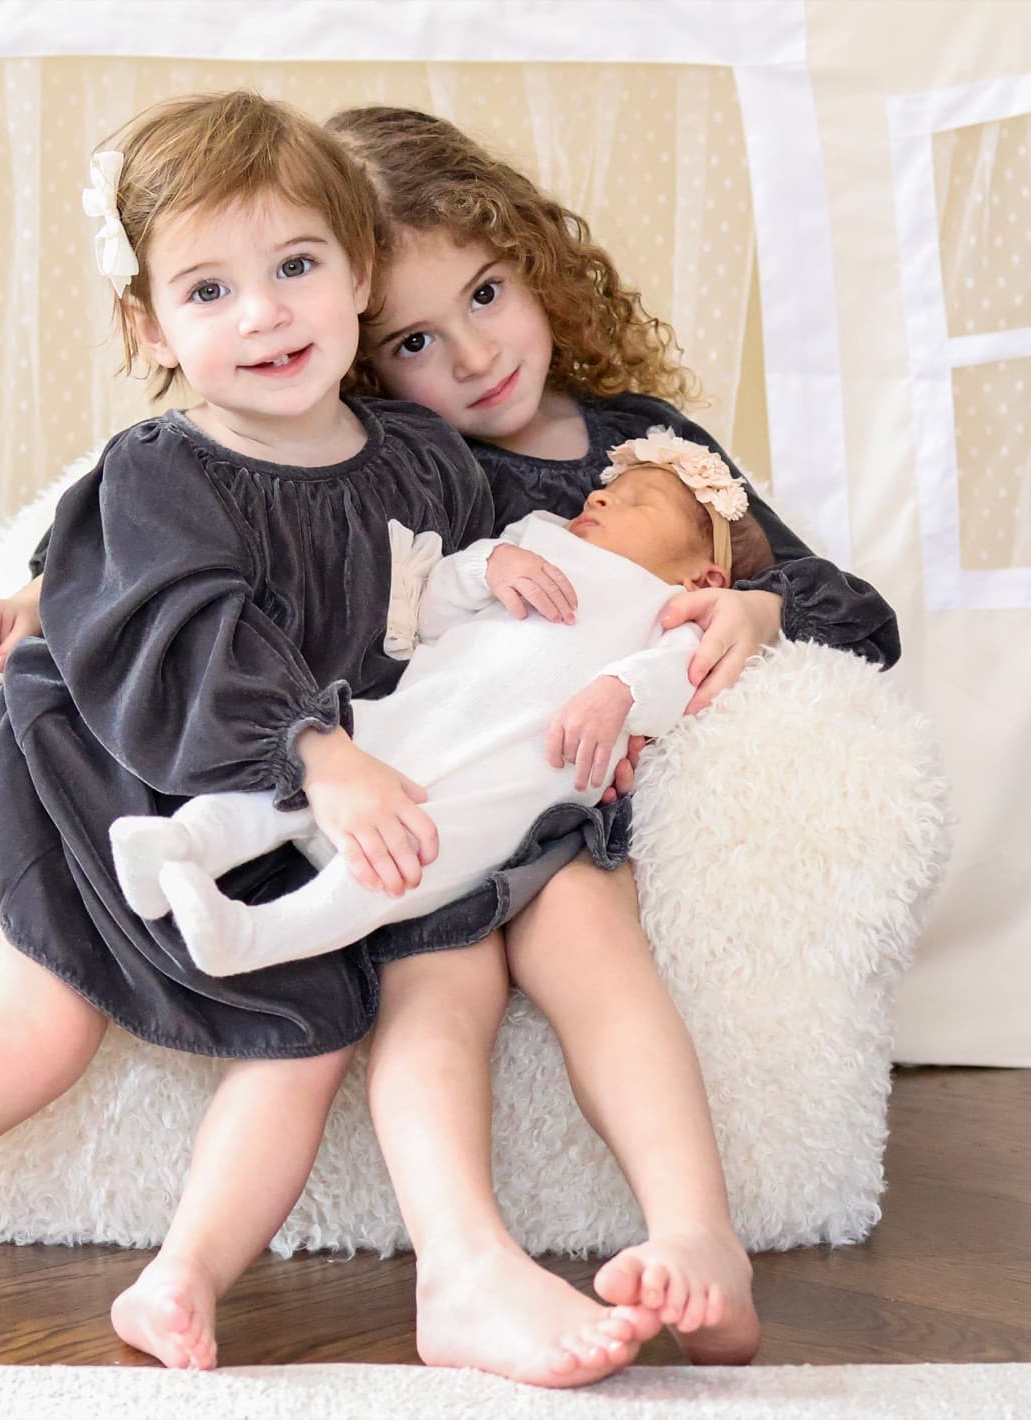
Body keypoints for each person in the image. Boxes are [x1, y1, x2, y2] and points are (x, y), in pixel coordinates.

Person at [0, 91, 660, 1380]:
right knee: (40, 1023)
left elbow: (467, 580)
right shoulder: (165, 467)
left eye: (295, 267)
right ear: (150, 324)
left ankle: (180, 1277)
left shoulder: (419, 460)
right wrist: (314, 752)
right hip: (126, 763)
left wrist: (504, 572)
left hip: (297, 799)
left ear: (354, 274)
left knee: (315, 1026)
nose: (265, 313)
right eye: (209, 289)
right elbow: (173, 620)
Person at [311, 105, 903, 1373]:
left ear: (534, 263)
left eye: (485, 292)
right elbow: (217, 532)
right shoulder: (401, 466)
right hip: (443, 799)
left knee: (594, 951)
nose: (471, 355)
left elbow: (860, 614)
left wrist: (755, 603)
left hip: (573, 805)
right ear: (362, 365)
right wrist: (45, 590)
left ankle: (699, 1239)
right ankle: (461, 1268)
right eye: (415, 338)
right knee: (436, 986)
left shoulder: (655, 453)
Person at [109, 428, 777, 978]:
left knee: (404, 864)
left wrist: (618, 693)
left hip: (508, 781)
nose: (603, 502)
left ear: (705, 576)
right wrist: (488, 567)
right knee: (303, 781)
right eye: (609, 490)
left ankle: (251, 937)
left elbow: (678, 681)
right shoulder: (537, 535)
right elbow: (429, 611)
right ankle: (179, 844)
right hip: (421, 713)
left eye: (638, 504)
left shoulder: (676, 612)